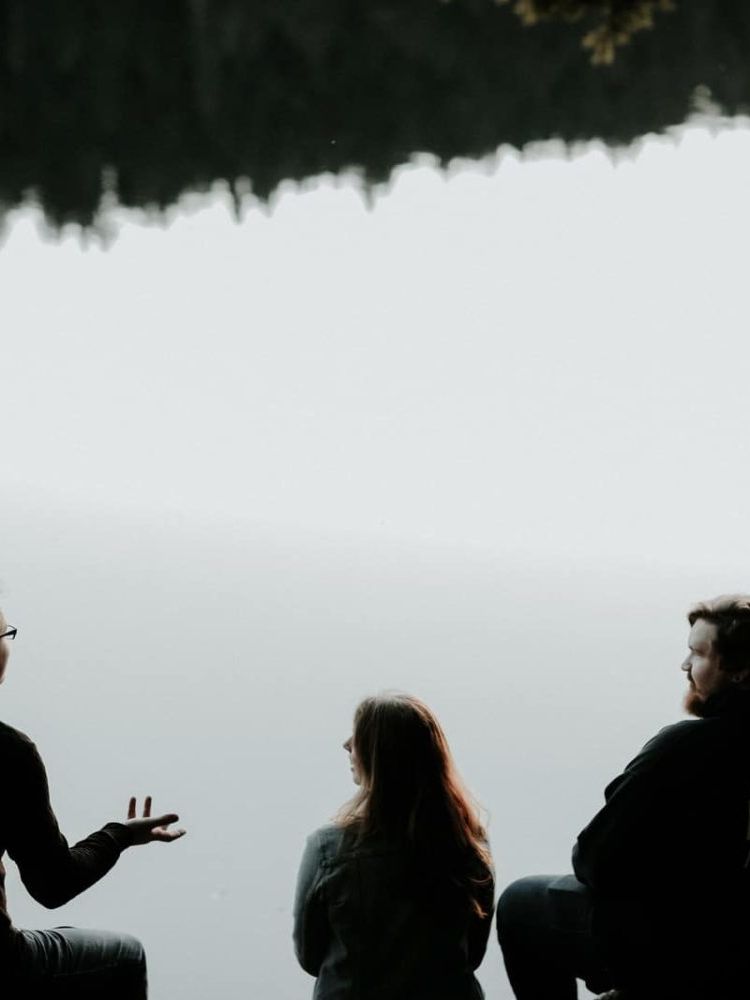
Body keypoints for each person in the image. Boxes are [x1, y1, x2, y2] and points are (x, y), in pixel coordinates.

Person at [496, 594, 750, 1000]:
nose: (685, 666)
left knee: (520, 903)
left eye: (698, 654)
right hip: (734, 947)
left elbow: (594, 857)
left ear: (739, 671)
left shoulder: (683, 746)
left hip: (682, 947)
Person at [0, 609, 186, 998]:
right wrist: (119, 835)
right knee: (125, 957)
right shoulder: (9, 752)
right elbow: (53, 885)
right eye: (5, 634)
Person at [293, 692, 495, 999]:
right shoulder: (469, 842)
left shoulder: (328, 848)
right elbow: (473, 955)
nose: (347, 744)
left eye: (359, 736)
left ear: (380, 756)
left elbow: (309, 958)